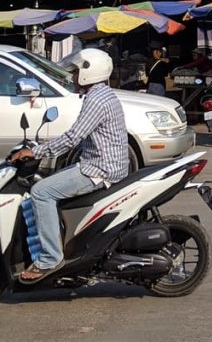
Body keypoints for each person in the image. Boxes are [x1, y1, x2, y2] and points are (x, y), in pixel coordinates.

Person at [9, 48, 129, 283]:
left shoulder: (96, 99)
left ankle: (50, 258)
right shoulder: (101, 95)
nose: (73, 78)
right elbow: (82, 137)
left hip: (100, 169)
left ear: (88, 73)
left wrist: (35, 151)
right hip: (100, 162)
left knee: (40, 192)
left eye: (75, 73)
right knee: (49, 180)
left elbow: (73, 136)